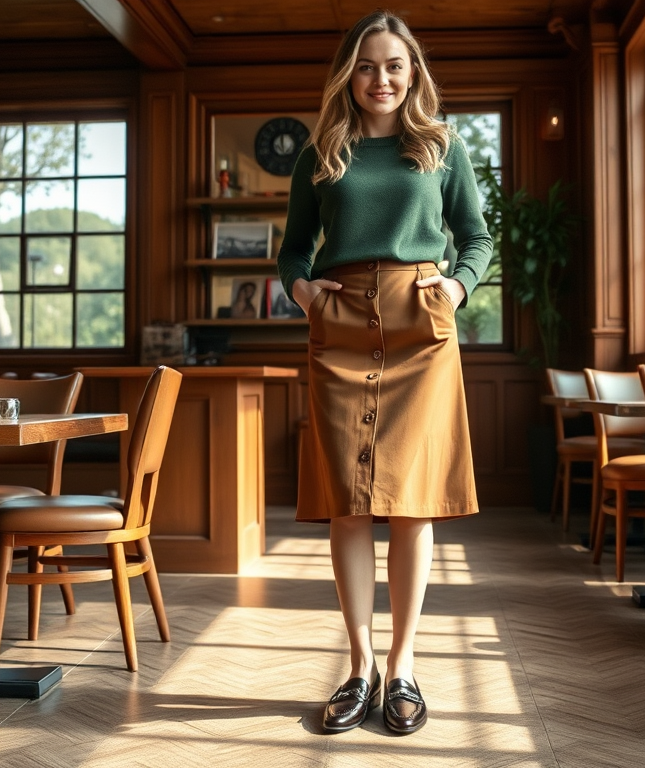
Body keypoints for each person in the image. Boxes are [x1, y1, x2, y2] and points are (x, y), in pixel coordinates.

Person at [277, 10, 492, 736]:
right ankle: (360, 664)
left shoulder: (441, 146)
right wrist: (305, 293)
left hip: (421, 326)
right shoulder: (321, 154)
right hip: (340, 326)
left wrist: (458, 287)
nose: (382, 78)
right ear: (349, 73)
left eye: (395, 65)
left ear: (413, 72)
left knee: (412, 502)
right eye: (368, 65)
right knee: (349, 502)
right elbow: (294, 251)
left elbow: (477, 238)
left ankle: (402, 667)